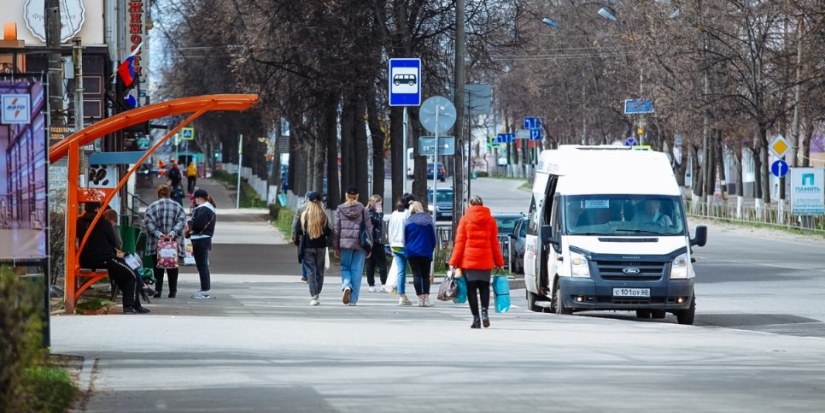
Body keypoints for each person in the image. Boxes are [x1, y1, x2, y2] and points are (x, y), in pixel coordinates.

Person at [76, 202, 149, 314]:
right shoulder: (102, 222)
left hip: (85, 259)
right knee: (131, 275)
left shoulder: (79, 222)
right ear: (97, 209)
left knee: (125, 271)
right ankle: (130, 305)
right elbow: (115, 242)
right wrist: (114, 253)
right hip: (104, 259)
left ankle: (137, 301)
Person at [449, 195, 504, 329]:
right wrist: (499, 262)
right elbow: (494, 243)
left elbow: (459, 243)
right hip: (485, 261)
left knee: (471, 290)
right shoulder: (490, 220)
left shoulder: (465, 219)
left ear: (469, 205)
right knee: (485, 288)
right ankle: (485, 312)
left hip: (469, 262)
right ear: (482, 204)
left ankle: (476, 319)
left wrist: (453, 262)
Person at [144, 184, 187, 298]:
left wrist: (158, 234)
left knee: (158, 268)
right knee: (173, 268)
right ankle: (172, 291)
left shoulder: (152, 207)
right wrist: (172, 233)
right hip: (173, 243)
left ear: (158, 193)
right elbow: (181, 222)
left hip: (156, 243)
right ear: (170, 193)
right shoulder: (177, 206)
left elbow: (148, 223)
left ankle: (158, 291)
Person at [333, 184, 372, 306]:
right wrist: (369, 246)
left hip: (345, 244)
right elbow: (369, 228)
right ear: (357, 196)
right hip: (360, 244)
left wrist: (335, 246)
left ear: (346, 195)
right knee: (357, 271)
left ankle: (346, 286)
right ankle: (353, 300)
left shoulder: (340, 209)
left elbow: (336, 229)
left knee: (345, 267)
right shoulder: (363, 210)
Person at [102, 208, 155, 299]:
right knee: (131, 266)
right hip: (110, 257)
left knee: (133, 264)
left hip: (112, 255)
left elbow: (118, 243)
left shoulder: (107, 227)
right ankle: (142, 287)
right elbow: (118, 243)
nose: (114, 224)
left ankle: (142, 287)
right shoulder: (109, 228)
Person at [293, 192, 332, 306]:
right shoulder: (323, 215)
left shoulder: (304, 214)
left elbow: (298, 230)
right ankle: (317, 292)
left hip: (307, 246)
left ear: (309, 201)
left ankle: (314, 295)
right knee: (320, 271)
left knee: (311, 272)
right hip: (320, 247)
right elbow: (328, 231)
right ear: (320, 202)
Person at [404, 201, 437, 307]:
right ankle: (426, 298)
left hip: (412, 251)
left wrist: (407, 248)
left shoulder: (408, 222)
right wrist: (431, 248)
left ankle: (419, 298)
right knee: (425, 275)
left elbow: (405, 238)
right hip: (426, 251)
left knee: (416, 275)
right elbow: (433, 238)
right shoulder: (429, 220)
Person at [387, 193, 415, 305]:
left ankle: (402, 295)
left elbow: (390, 229)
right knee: (416, 270)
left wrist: (390, 243)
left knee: (401, 271)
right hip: (406, 245)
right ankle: (422, 294)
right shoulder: (409, 214)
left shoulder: (394, 213)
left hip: (395, 245)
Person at [189, 188, 217, 299]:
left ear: (199, 198)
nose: (194, 201)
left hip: (200, 239)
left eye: (195, 199)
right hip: (203, 239)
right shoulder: (208, 208)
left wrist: (190, 222)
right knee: (202, 265)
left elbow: (198, 225)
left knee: (202, 266)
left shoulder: (204, 209)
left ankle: (204, 290)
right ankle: (204, 289)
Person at [365, 194, 388, 293]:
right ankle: (381, 284)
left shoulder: (367, 212)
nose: (380, 205)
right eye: (379, 203)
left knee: (371, 263)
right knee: (380, 263)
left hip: (372, 241)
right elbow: (377, 222)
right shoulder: (370, 213)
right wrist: (379, 213)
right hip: (375, 241)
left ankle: (372, 284)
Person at [291, 192, 314, 283]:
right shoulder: (319, 207)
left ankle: (305, 275)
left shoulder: (300, 207)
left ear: (305, 198)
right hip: (316, 235)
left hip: (303, 236)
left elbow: (295, 222)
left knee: (304, 255)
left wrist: (293, 236)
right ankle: (312, 274)